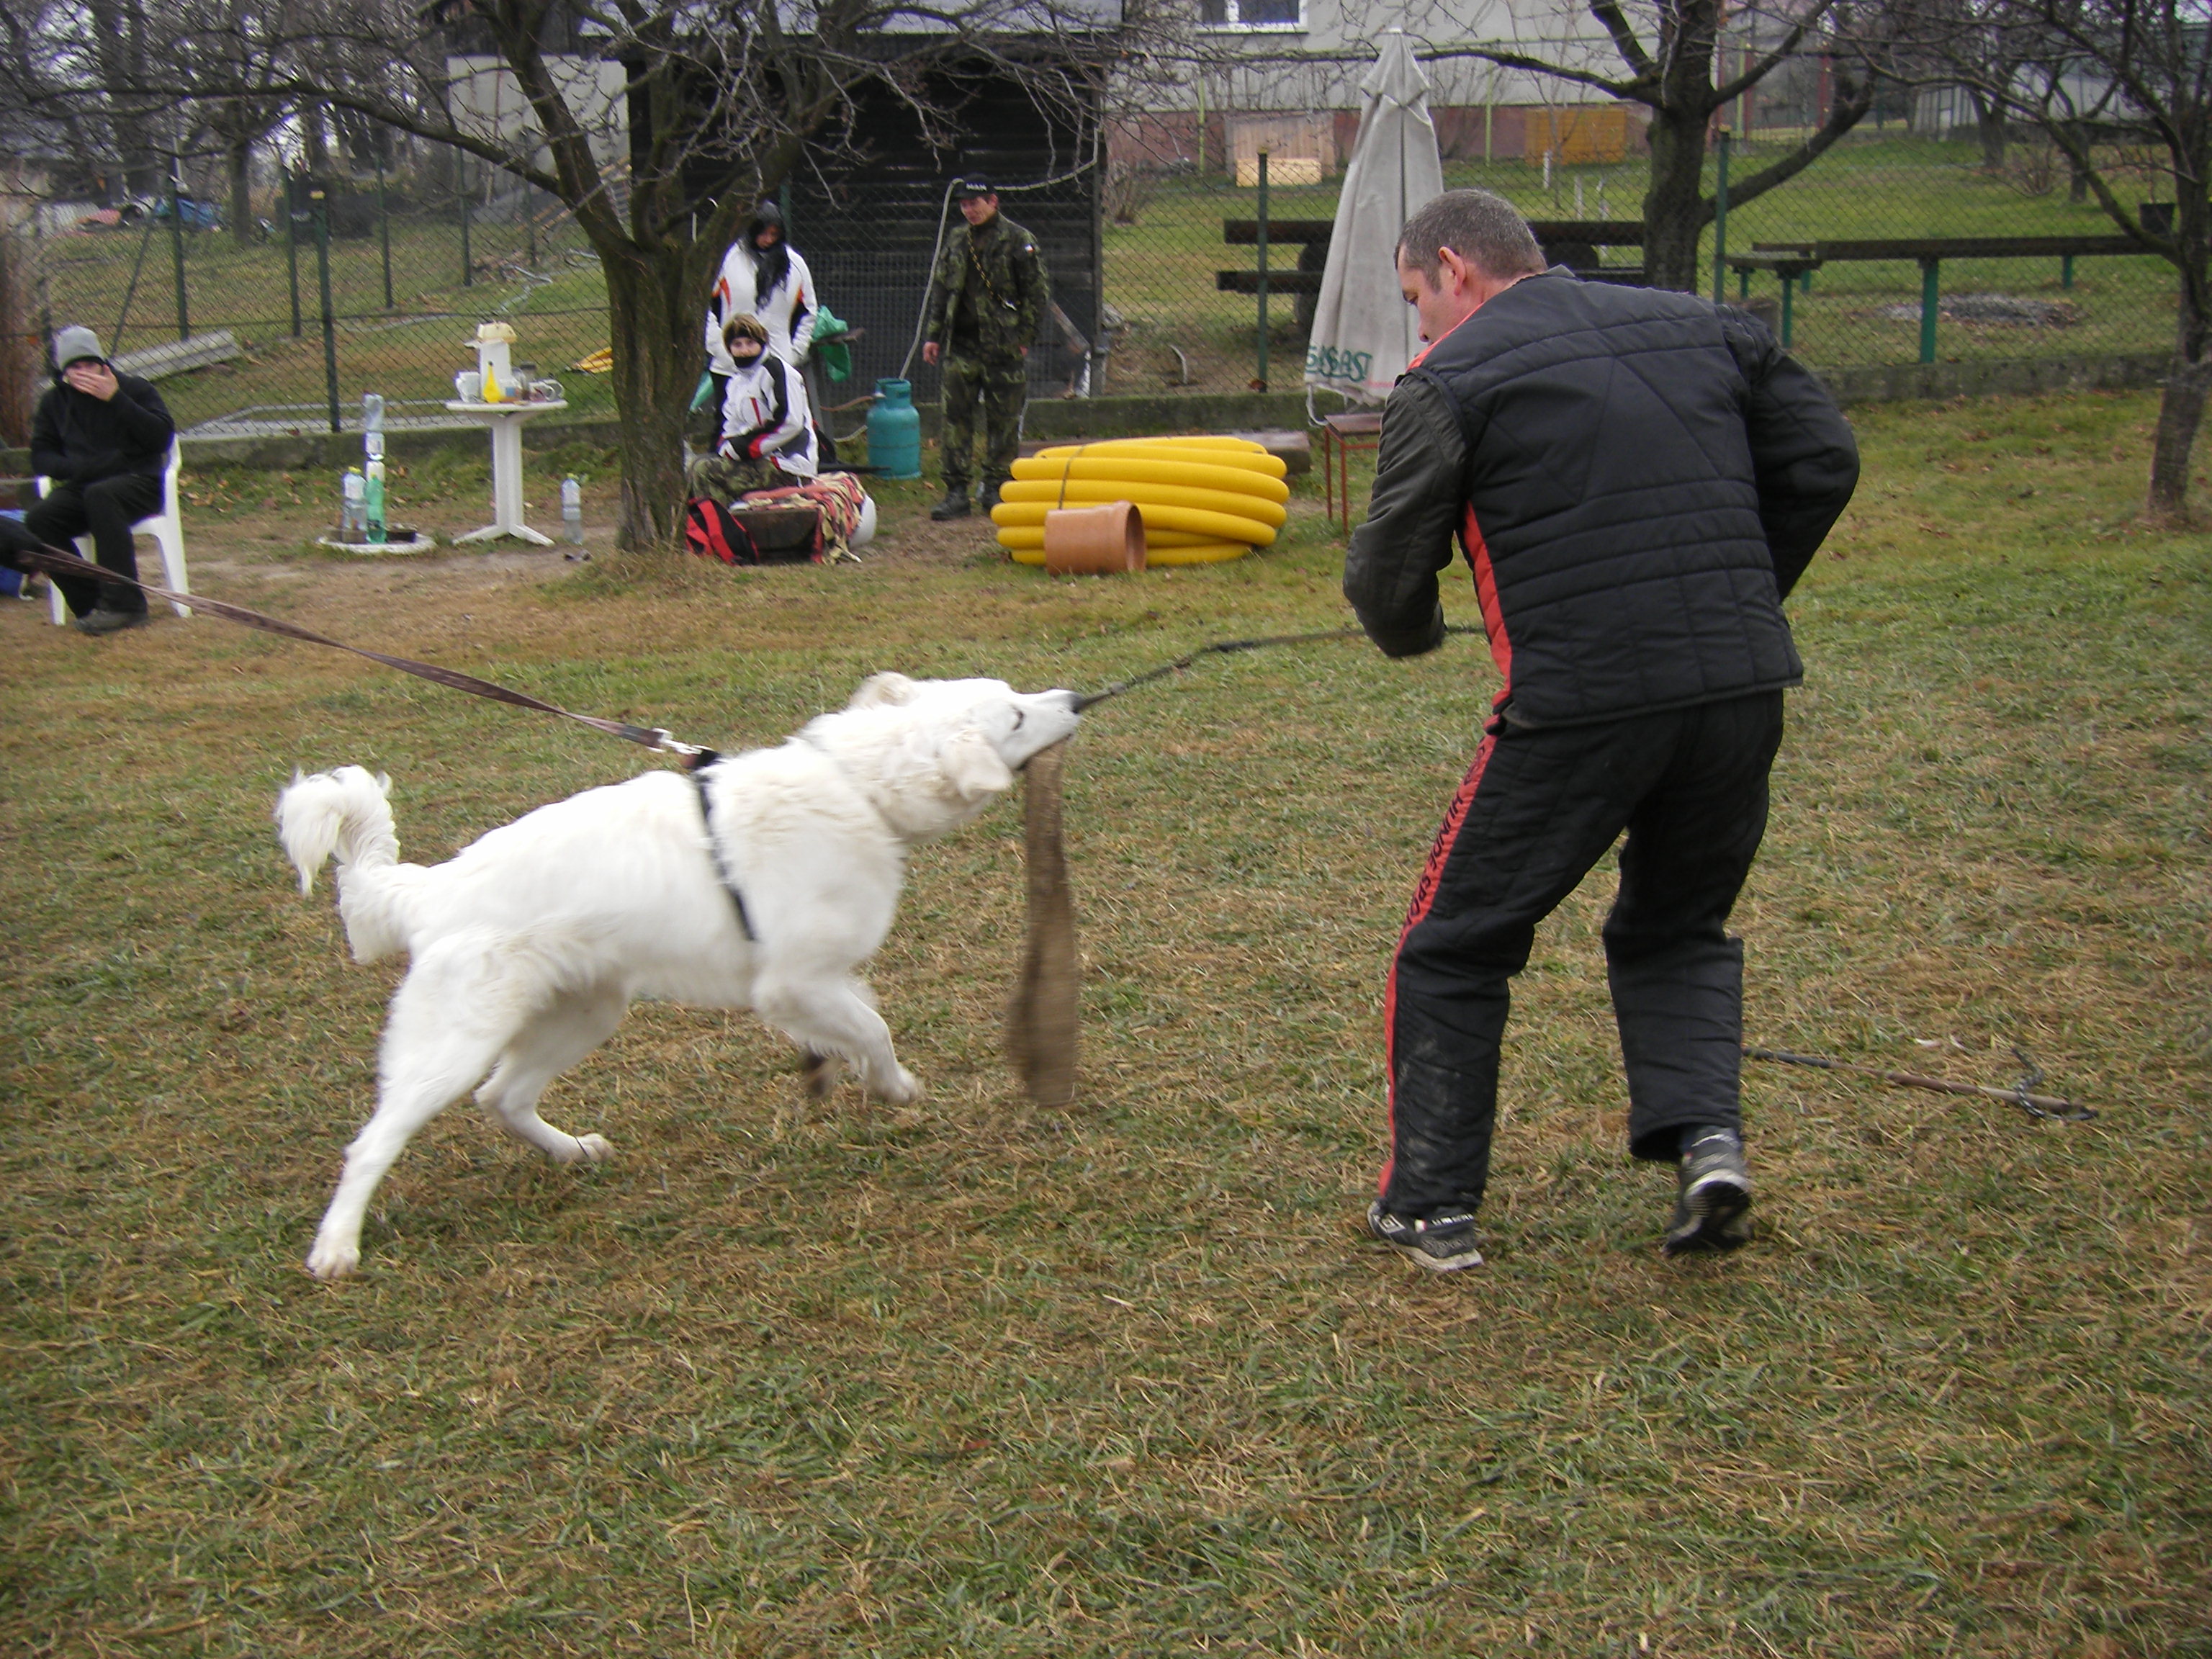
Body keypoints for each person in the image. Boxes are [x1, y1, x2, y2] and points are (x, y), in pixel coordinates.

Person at [1343, 189, 1859, 1272]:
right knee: (1677, 927)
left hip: (1579, 701)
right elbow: (1824, 460)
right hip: (1739, 690)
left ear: (1455, 269)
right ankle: (1710, 1145)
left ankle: (1430, 1205)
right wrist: (1741, 594)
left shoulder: (1449, 379)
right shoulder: (1706, 322)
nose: (1421, 329)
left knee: (1454, 942)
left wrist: (1410, 630)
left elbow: (1386, 572)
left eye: (1415, 302)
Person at [0, 325, 176, 634]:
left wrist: (116, 399)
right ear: (64, 372)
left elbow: (160, 439)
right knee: (41, 517)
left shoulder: (134, 389)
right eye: (75, 367)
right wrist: (75, 469)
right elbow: (42, 456)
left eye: (90, 365)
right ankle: (92, 603)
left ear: (102, 365)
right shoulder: (54, 403)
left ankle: (126, 605)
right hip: (84, 484)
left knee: (101, 495)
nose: (84, 373)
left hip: (139, 482)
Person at [920, 180, 1049, 521]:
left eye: (975, 203)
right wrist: (933, 335)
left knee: (1003, 420)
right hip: (961, 345)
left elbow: (1036, 293)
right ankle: (956, 491)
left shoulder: (1019, 240)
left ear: (993, 201)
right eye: (963, 205)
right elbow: (942, 289)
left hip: (1003, 347)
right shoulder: (956, 239)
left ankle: (996, 488)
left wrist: (1025, 337)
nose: (969, 210)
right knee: (955, 420)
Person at [685, 313, 818, 503]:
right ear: (729, 348)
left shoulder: (778, 371)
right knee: (695, 465)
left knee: (703, 471)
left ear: (762, 342)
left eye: (750, 343)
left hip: (788, 465)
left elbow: (790, 422)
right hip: (756, 463)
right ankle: (719, 522)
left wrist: (741, 449)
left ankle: (721, 526)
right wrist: (727, 448)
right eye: (737, 345)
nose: (745, 350)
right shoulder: (736, 383)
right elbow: (730, 427)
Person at [704, 200, 818, 389]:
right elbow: (705, 309)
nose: (768, 240)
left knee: (780, 418)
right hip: (730, 369)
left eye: (774, 234)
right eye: (763, 233)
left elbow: (809, 311)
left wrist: (795, 353)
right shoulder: (727, 260)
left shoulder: (795, 264)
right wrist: (721, 350)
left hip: (778, 366)